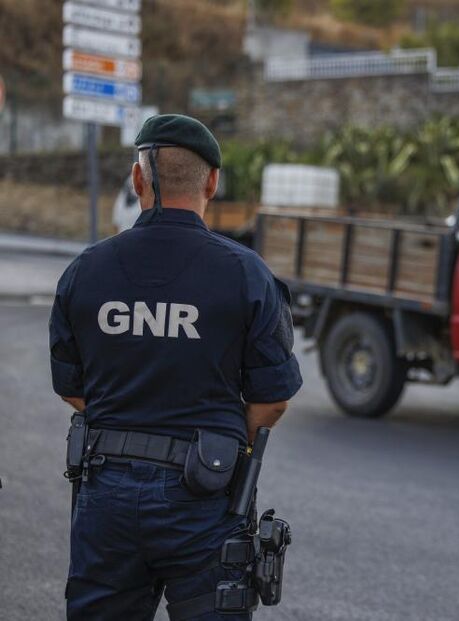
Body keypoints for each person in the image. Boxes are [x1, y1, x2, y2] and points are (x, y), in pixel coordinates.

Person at [49, 114, 303, 620]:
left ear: (138, 179)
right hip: (204, 495)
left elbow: (72, 387)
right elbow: (272, 398)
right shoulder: (245, 273)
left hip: (107, 495)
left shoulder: (86, 270)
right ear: (212, 182)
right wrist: (229, 442)